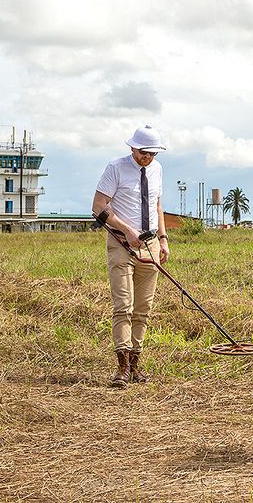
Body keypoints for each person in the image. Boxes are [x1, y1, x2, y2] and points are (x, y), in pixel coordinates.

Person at [92, 124, 170, 388]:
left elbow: (157, 205)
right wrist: (127, 229)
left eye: (152, 153)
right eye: (144, 152)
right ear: (133, 148)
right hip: (121, 243)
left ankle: (136, 364)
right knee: (123, 305)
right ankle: (122, 367)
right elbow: (98, 207)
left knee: (143, 308)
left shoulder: (157, 170)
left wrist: (163, 239)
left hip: (150, 245)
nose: (148, 157)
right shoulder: (115, 168)